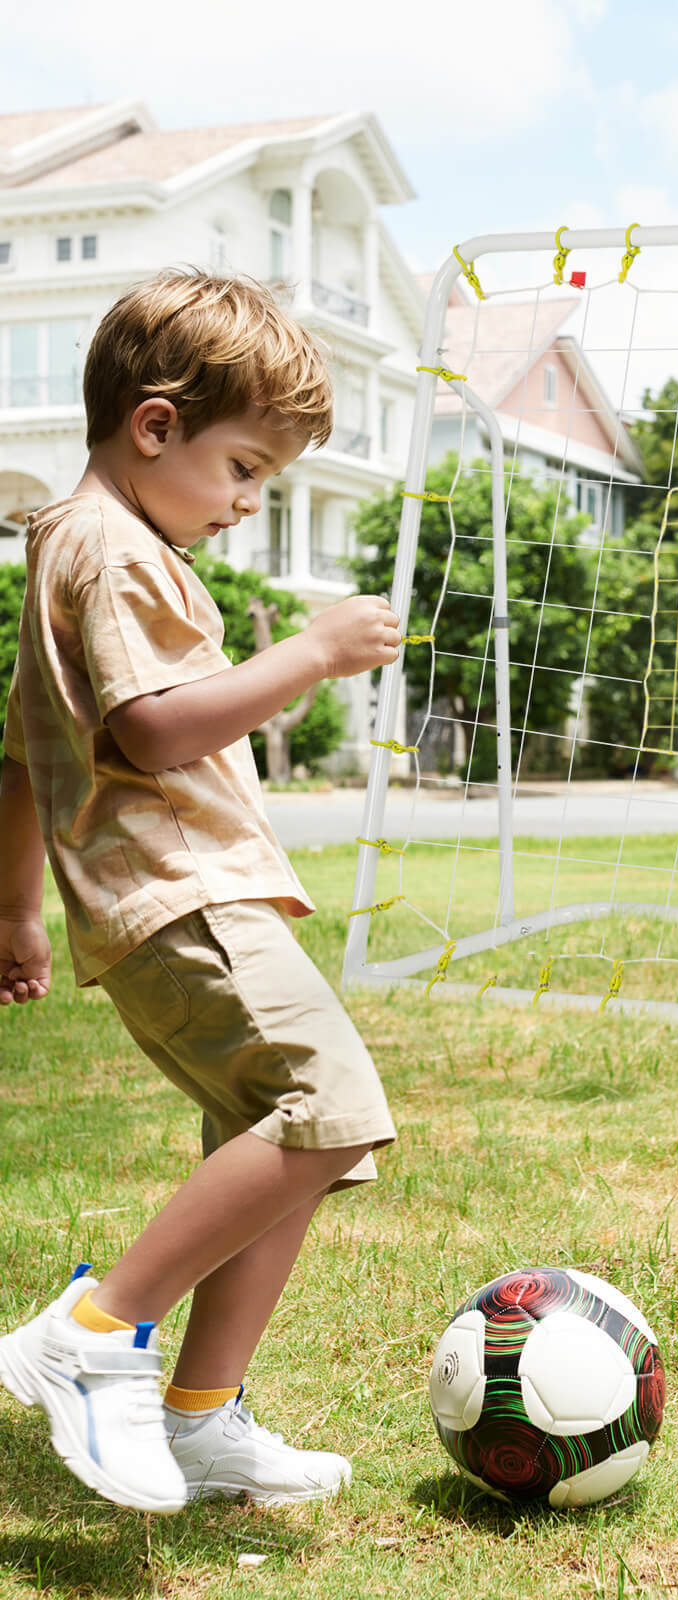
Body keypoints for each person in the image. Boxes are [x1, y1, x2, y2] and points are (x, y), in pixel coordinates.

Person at [0, 268, 403, 1513]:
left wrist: (17, 909)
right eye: (243, 469)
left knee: (278, 1139)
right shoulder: (113, 552)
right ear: (156, 425)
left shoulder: (83, 548)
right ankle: (94, 1333)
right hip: (186, 897)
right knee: (329, 1109)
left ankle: (201, 1417)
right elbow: (157, 729)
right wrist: (310, 654)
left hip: (179, 904)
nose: (245, 505)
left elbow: (22, 757)